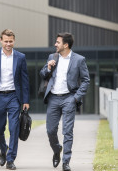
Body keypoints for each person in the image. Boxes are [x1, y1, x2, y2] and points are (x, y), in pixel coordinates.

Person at [39, 32, 90, 171]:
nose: (55, 44)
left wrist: (76, 97)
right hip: (53, 98)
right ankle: (57, 150)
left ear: (65, 45)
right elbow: (43, 74)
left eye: (58, 42)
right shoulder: (52, 57)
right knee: (50, 130)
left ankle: (66, 162)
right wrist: (48, 67)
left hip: (69, 98)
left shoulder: (79, 60)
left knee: (67, 131)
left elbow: (86, 80)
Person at [0, 29, 30, 170]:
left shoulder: (20, 57)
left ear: (14, 41)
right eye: (6, 41)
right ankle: (4, 149)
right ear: (1, 41)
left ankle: (10, 159)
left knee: (14, 128)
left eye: (11, 41)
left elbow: (24, 80)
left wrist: (25, 100)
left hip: (14, 96)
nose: (8, 44)